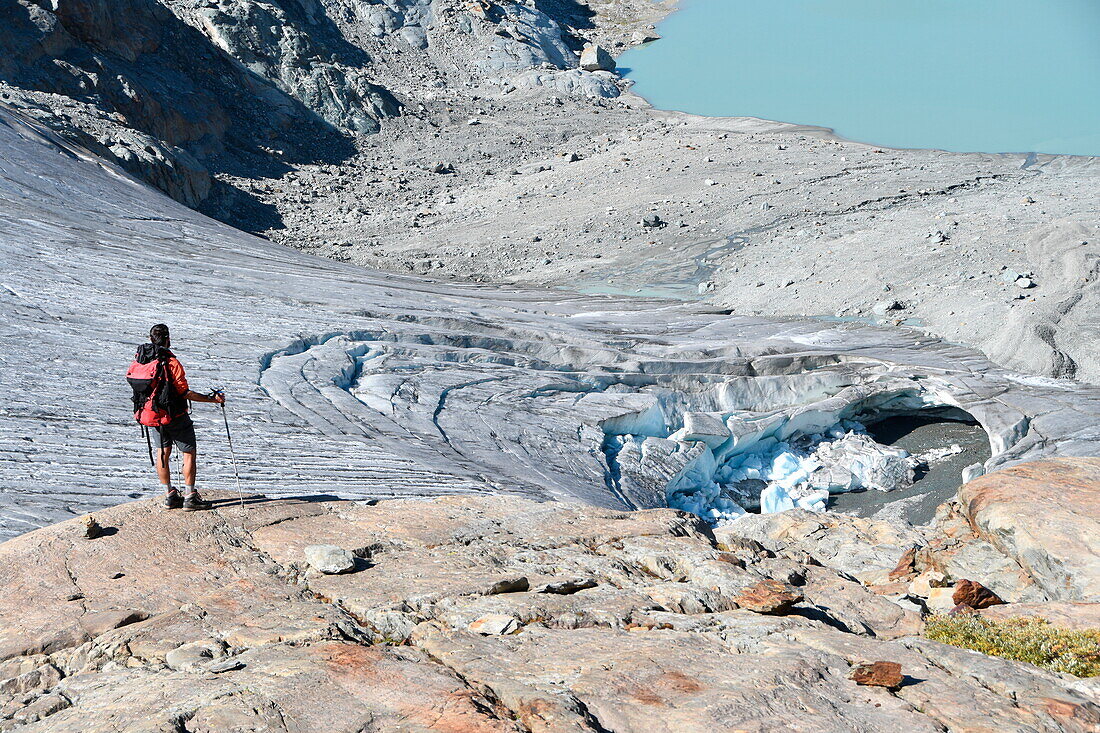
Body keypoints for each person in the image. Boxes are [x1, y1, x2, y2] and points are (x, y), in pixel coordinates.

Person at [139, 324, 224, 510]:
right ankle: (190, 496)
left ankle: (169, 495)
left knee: (162, 452)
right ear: (168, 339)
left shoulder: (142, 360)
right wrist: (212, 399)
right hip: (175, 415)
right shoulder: (171, 362)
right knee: (188, 452)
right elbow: (184, 392)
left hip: (153, 414)